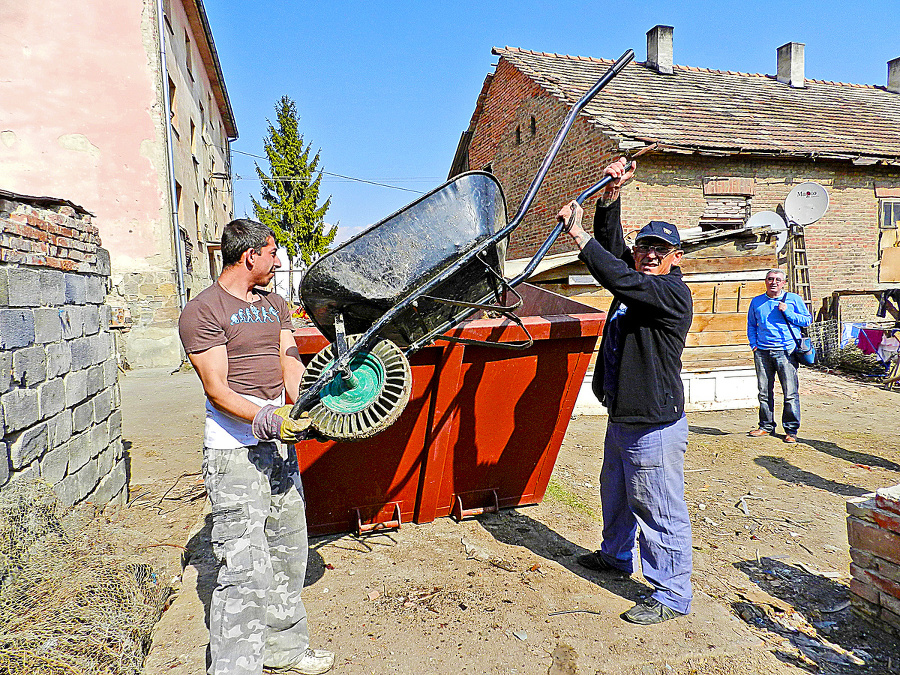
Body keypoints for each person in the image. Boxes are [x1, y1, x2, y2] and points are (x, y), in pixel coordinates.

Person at [178, 218, 334, 675]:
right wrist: (265, 417)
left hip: (280, 446)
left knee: (288, 553)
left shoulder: (275, 305)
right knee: (243, 567)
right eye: (272, 253)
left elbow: (290, 364)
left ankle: (283, 651)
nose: (278, 261)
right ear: (250, 256)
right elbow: (217, 390)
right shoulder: (203, 311)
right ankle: (236, 667)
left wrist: (310, 404)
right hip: (235, 451)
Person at [557, 157, 693, 625]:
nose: (650, 254)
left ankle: (672, 593)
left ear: (676, 257)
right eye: (644, 248)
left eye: (661, 249)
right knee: (615, 494)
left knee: (658, 506)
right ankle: (616, 557)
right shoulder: (635, 282)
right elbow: (616, 258)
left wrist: (578, 236)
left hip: (654, 423)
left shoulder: (670, 293)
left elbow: (617, 272)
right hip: (623, 415)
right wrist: (610, 194)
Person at [746, 268, 812, 443]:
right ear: (765, 281)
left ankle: (791, 430)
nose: (773, 282)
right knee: (764, 392)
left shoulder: (793, 299)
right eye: (770, 279)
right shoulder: (757, 302)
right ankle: (766, 426)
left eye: (777, 279)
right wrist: (754, 345)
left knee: (790, 392)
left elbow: (807, 320)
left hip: (786, 352)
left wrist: (787, 311)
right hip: (762, 352)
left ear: (783, 282)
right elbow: (751, 325)